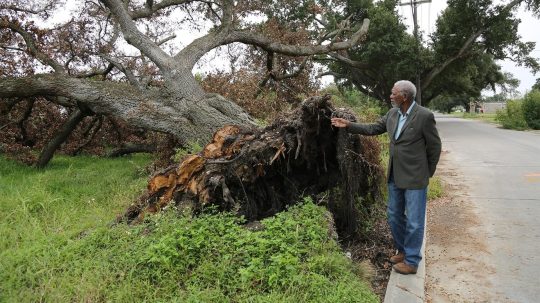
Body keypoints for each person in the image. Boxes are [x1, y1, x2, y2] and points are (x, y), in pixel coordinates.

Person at [331, 80, 441, 275]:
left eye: (393, 93)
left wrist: (427, 172)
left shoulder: (424, 116)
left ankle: (412, 261)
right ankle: (403, 250)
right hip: (395, 175)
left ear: (404, 96)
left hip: (416, 177)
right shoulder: (392, 114)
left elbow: (434, 147)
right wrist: (348, 125)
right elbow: (373, 128)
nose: (390, 96)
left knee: (415, 221)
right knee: (393, 215)